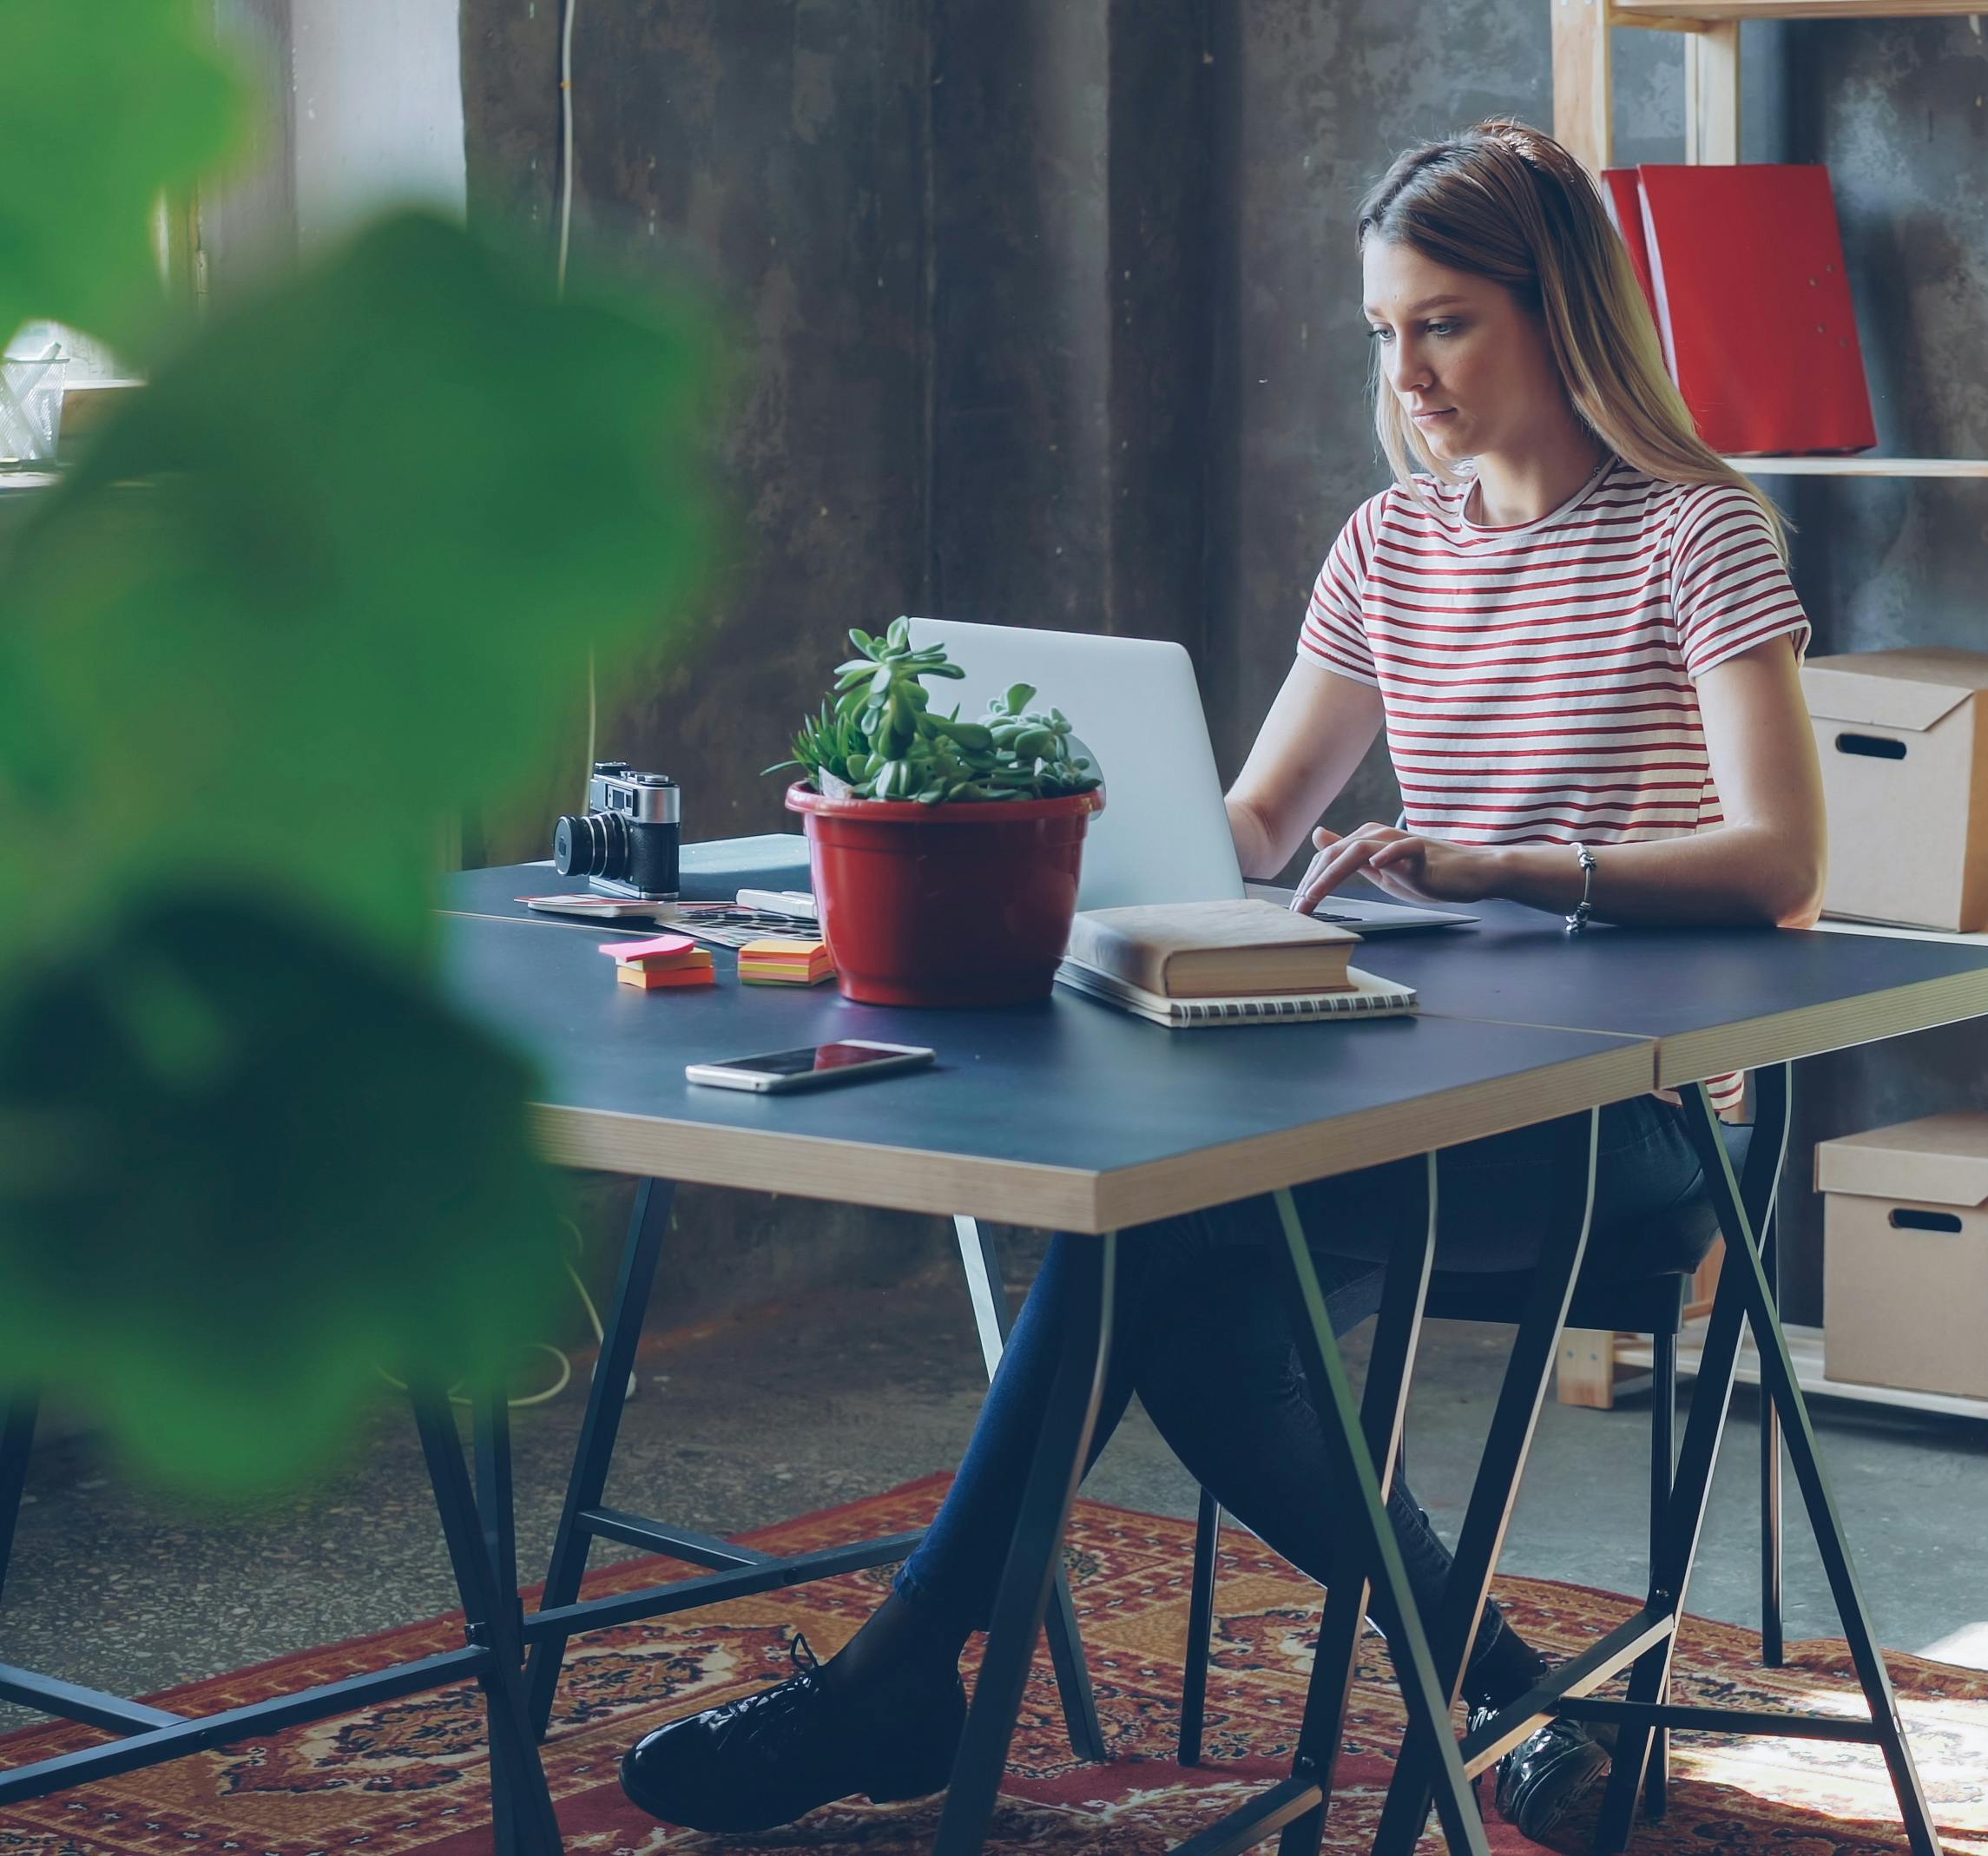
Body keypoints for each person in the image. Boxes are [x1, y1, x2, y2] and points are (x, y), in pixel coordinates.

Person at [615, 117, 1827, 1841]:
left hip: (1624, 1124)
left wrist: (1502, 862)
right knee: (1168, 1256)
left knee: (1160, 1236)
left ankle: (901, 1675)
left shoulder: (1695, 536)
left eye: (1445, 325)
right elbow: (1255, 818)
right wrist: (1006, 817)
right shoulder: (1389, 545)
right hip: (1413, 1082)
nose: (1404, 371)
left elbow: (1783, 859)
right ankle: (1490, 1688)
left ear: (1559, 313)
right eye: (1381, 332)